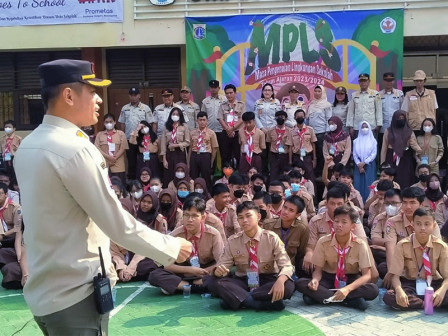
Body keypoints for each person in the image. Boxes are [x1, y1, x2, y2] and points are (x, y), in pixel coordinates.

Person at [14, 59, 192, 335]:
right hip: (75, 295)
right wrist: (170, 248)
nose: (99, 100)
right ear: (69, 95)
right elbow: (116, 223)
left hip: (45, 291)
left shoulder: (29, 145)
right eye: (92, 91)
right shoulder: (74, 149)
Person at [204, 201, 295, 311]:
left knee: (289, 285)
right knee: (212, 281)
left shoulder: (271, 238)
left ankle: (238, 299)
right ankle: (258, 303)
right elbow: (222, 265)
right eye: (241, 217)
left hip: (266, 279)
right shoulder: (233, 241)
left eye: (248, 216)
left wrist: (280, 280)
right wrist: (218, 271)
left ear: (258, 216)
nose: (244, 220)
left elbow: (287, 265)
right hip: (243, 280)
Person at [296, 205, 379, 310]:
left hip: (350, 279)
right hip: (328, 278)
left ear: (353, 227)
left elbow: (367, 275)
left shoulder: (360, 244)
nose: (339, 225)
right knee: (300, 283)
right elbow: (318, 271)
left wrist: (347, 289)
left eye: (344, 222)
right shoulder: (323, 242)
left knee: (373, 290)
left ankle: (326, 297)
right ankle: (349, 300)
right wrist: (315, 280)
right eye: (336, 221)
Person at [149, 196, 224, 295]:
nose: (190, 220)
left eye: (194, 216)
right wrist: (191, 270)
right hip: (183, 272)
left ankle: (181, 287)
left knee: (224, 274)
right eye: (186, 215)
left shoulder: (213, 234)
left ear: (203, 217)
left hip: (206, 272)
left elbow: (221, 262)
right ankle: (195, 287)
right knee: (155, 275)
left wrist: (203, 271)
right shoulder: (175, 235)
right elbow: (167, 266)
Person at [383, 208, 448, 310]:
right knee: (389, 296)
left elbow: (447, 277)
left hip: (433, 284)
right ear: (413, 225)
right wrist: (399, 290)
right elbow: (395, 276)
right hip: (411, 284)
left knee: (444, 291)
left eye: (427, 224)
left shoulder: (441, 246)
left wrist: (442, 291)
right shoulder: (402, 245)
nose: (422, 228)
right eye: (418, 224)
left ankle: (423, 302)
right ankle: (428, 303)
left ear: (434, 225)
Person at [382, 187, 442, 289]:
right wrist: (392, 272)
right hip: (404, 268)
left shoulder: (431, 223)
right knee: (383, 268)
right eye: (404, 202)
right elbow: (390, 248)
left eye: (412, 202)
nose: (407, 207)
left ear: (422, 204)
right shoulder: (392, 222)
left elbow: (437, 249)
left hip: (427, 266)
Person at [110, 199, 158, 283]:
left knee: (150, 264)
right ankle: (124, 274)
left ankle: (130, 274)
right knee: (108, 265)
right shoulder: (111, 230)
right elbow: (115, 253)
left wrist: (131, 268)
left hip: (137, 261)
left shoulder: (139, 226)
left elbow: (143, 249)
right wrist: (121, 268)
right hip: (122, 261)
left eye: (125, 211)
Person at [263, 195, 309, 275]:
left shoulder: (302, 229)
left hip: (288, 269)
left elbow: (301, 253)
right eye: (285, 207)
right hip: (268, 268)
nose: (285, 212)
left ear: (297, 215)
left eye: (291, 210)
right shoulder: (268, 225)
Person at [381, 110, 422, 189]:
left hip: (405, 157)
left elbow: (413, 143)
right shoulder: (388, 131)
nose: (401, 119)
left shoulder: (409, 131)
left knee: (405, 178)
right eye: (399, 118)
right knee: (392, 178)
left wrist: (420, 150)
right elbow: (384, 147)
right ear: (394, 119)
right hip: (391, 157)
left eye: (403, 118)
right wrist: (383, 163)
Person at [118, 87, 153, 180]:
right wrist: (123, 137)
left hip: (143, 139)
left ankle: (145, 181)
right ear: (129, 96)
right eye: (131, 95)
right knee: (131, 162)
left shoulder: (145, 108)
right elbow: (122, 123)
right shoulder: (125, 108)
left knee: (144, 160)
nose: (133, 97)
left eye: (135, 95)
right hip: (129, 139)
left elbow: (150, 123)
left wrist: (150, 137)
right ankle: (133, 182)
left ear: (139, 95)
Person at [371, 188, 402, 278]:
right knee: (371, 251)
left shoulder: (405, 217)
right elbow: (375, 240)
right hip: (385, 253)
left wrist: (386, 245)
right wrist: (390, 244)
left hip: (402, 254)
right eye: (387, 204)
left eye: (394, 203)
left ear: (402, 203)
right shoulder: (379, 218)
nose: (390, 206)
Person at [254, 83, 282, 175]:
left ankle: (274, 172)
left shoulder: (276, 102)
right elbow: (256, 117)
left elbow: (278, 116)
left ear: (272, 92)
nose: (267, 92)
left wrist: (271, 129)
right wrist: (261, 128)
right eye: (265, 90)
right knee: (263, 152)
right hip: (261, 131)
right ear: (262, 92)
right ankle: (264, 172)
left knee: (273, 152)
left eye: (269, 90)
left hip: (273, 131)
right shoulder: (258, 102)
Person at [94, 113, 128, 186]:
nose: (109, 123)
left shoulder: (121, 134)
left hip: (118, 166)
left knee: (120, 186)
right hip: (105, 165)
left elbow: (123, 148)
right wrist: (109, 157)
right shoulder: (100, 134)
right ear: (104, 123)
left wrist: (114, 158)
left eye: (111, 121)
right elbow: (97, 148)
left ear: (115, 122)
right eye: (107, 122)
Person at [218, 84, 246, 169]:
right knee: (225, 155)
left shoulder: (241, 105)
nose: (229, 95)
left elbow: (242, 118)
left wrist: (232, 128)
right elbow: (220, 118)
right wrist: (228, 129)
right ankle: (225, 176)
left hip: (238, 133)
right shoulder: (222, 105)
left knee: (238, 155)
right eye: (227, 93)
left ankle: (239, 174)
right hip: (225, 133)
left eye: (231, 93)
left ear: (235, 93)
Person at [161, 107, 190, 187]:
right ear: (170, 115)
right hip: (169, 153)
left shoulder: (184, 126)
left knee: (180, 173)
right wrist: (164, 159)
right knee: (169, 174)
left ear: (180, 116)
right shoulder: (166, 127)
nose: (175, 116)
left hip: (180, 153)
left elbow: (187, 142)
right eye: (173, 114)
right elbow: (163, 143)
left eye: (177, 114)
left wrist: (177, 145)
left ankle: (181, 190)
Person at [306, 85, 332, 176]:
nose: (317, 93)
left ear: (323, 93)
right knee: (313, 154)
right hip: (311, 133)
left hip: (321, 133)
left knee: (321, 154)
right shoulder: (311, 104)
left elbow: (329, 120)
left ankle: (322, 174)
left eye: (319, 91)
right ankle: (313, 173)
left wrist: (327, 133)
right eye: (315, 91)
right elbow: (308, 120)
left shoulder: (326, 105)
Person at [189, 111, 218, 190]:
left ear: (207, 121)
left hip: (205, 155)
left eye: (204, 120)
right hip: (195, 155)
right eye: (200, 120)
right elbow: (190, 148)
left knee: (206, 176)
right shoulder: (192, 132)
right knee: (193, 175)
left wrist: (211, 161)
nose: (202, 122)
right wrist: (189, 160)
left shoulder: (211, 133)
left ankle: (207, 192)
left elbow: (214, 148)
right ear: (197, 121)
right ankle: (193, 192)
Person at [347, 73, 382, 138]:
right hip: (357, 127)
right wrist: (351, 127)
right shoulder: (354, 95)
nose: (363, 83)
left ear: (369, 82)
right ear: (358, 82)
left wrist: (379, 124)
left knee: (371, 147)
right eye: (361, 81)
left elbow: (379, 110)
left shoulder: (375, 94)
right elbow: (351, 112)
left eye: (365, 81)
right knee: (358, 147)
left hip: (371, 127)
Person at [289, 109, 317, 183]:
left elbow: (313, 144)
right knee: (296, 177)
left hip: (307, 157)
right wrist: (290, 160)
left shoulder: (310, 130)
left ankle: (312, 194)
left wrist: (314, 159)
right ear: (295, 118)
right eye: (298, 116)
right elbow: (290, 147)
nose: (300, 118)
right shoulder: (291, 131)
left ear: (304, 117)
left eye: (301, 116)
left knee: (310, 178)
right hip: (296, 157)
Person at [353, 121, 377, 203]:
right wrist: (359, 164)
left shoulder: (373, 141)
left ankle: (369, 204)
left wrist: (364, 162)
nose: (364, 128)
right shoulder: (355, 141)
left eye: (366, 126)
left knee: (369, 184)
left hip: (369, 165)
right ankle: (358, 204)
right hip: (358, 166)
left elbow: (374, 154)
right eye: (362, 127)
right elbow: (354, 154)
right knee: (358, 184)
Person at [379, 72, 404, 152]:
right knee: (383, 151)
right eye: (386, 80)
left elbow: (402, 111)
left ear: (393, 81)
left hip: (397, 128)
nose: (389, 82)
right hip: (383, 128)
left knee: (396, 151)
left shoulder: (399, 94)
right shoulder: (378, 95)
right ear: (383, 81)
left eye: (390, 80)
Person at [266, 110, 292, 180]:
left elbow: (290, 146)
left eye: (282, 117)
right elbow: (269, 143)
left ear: (286, 119)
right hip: (274, 155)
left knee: (286, 176)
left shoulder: (290, 131)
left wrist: (290, 160)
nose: (279, 118)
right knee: (273, 175)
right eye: (277, 117)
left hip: (285, 155)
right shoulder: (270, 131)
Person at [0, 182, 22, 249]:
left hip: (12, 238)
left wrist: (2, 235)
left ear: (6, 194)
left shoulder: (16, 207)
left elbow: (17, 228)